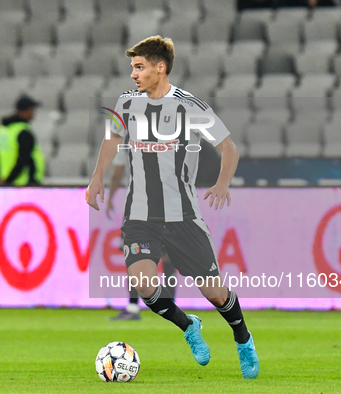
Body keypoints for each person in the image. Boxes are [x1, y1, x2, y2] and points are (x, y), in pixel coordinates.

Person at [86, 36, 259, 379]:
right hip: (140, 215)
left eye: (140, 67)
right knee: (146, 286)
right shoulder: (125, 103)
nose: (133, 74)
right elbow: (112, 140)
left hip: (183, 216)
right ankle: (188, 326)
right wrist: (97, 178)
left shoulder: (189, 106)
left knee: (214, 290)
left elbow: (229, 148)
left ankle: (242, 336)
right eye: (132, 67)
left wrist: (223, 183)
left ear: (160, 67)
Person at [106, 146, 178, 321]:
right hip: (167, 203)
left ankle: (132, 307)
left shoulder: (126, 139)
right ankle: (170, 307)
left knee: (134, 256)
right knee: (167, 256)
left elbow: (118, 172)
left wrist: (110, 197)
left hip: (138, 205)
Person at [0, 95, 46, 186]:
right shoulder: (22, 131)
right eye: (31, 110)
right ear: (24, 111)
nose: (33, 113)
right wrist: (9, 181)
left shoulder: (3, 129)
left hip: (7, 179)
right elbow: (23, 159)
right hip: (25, 182)